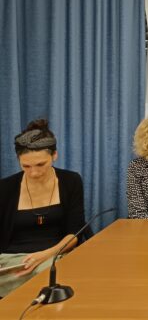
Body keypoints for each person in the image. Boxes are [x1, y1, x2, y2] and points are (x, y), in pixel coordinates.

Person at [0, 119, 87, 298]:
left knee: (49, 276)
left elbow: (74, 235)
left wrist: (44, 256)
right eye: (26, 166)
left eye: (40, 164)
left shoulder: (70, 181)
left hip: (54, 256)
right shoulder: (5, 187)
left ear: (54, 155)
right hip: (11, 260)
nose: (33, 173)